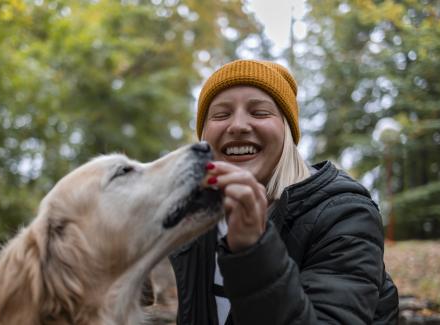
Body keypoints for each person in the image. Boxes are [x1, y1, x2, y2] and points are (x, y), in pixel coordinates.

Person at [169, 59, 399, 324]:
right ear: (204, 136)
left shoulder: (345, 214)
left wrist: (253, 251)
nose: (238, 125)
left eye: (259, 112)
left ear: (287, 131)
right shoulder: (195, 217)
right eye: (221, 115)